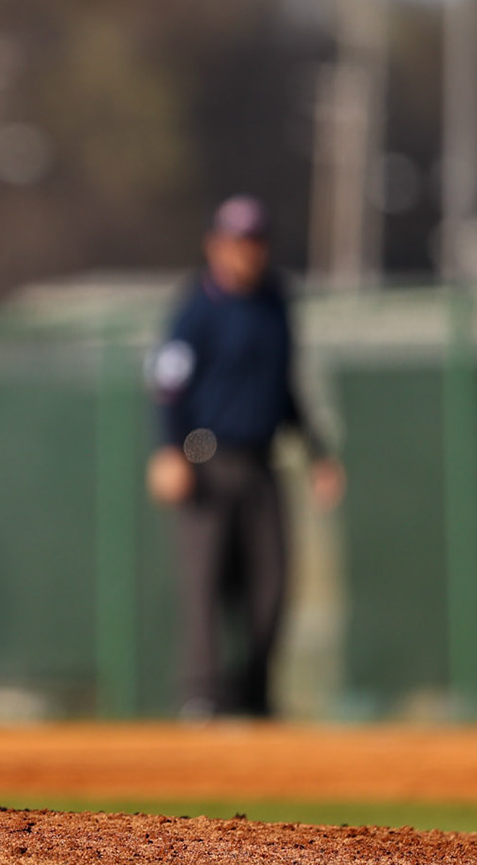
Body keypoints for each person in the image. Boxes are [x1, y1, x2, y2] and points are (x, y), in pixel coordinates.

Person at [145, 194, 345, 719]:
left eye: (254, 242)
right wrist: (168, 449)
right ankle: (202, 696)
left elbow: (285, 387)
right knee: (204, 586)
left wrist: (317, 452)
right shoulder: (197, 306)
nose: (245, 252)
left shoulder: (275, 301)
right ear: (215, 245)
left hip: (262, 462)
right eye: (236, 242)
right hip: (204, 461)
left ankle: (254, 697)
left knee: (273, 587)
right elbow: (168, 384)